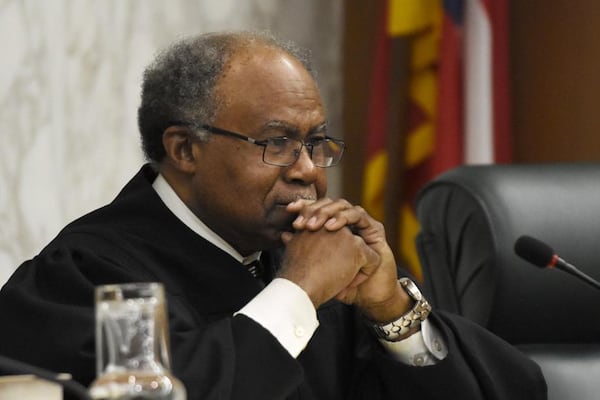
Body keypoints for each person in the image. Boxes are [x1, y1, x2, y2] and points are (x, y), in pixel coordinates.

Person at [0, 31, 546, 399]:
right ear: (185, 150)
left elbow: (516, 387)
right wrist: (298, 294)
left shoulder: (310, 258)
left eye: (317, 143)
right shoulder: (89, 273)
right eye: (278, 143)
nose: (308, 170)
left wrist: (390, 308)